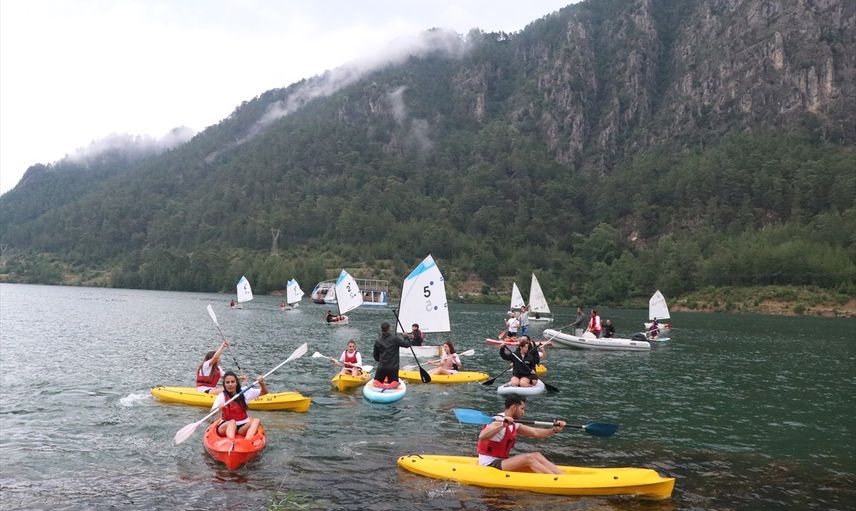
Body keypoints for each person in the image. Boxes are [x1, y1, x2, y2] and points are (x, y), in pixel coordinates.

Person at [477, 395, 566, 474]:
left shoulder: (514, 423)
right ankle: (556, 481)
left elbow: (535, 432)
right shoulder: (498, 420)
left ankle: (562, 476)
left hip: (501, 461)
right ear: (513, 407)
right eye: (522, 408)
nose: (523, 412)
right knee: (529, 458)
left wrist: (554, 430)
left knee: (536, 455)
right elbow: (482, 436)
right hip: (489, 464)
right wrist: (502, 425)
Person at [212, 371, 268, 440]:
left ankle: (247, 441)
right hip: (226, 426)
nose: (230, 384)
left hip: (242, 427)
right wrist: (218, 408)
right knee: (232, 422)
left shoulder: (244, 391)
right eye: (227, 382)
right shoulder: (221, 396)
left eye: (233, 382)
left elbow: (264, 392)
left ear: (236, 383)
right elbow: (212, 412)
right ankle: (231, 442)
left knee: (256, 420)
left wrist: (261, 383)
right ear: (224, 384)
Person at [372, 322, 411, 387]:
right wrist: (405, 337)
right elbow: (407, 345)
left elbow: (375, 356)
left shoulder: (378, 340)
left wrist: (381, 360)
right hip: (393, 368)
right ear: (389, 329)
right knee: (394, 385)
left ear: (381, 329)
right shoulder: (395, 338)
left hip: (382, 367)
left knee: (376, 383)